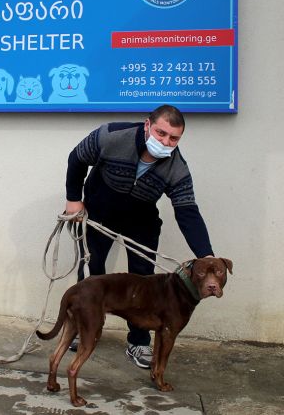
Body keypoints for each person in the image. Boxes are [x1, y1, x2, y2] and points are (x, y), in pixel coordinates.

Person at [64, 104, 215, 369]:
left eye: (173, 138)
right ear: (147, 125)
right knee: (91, 273)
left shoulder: (177, 168)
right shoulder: (110, 136)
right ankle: (81, 327)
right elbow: (76, 159)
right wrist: (74, 200)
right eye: (161, 133)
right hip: (100, 214)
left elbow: (187, 212)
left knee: (144, 284)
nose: (166, 142)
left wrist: (206, 255)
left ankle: (138, 342)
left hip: (141, 220)